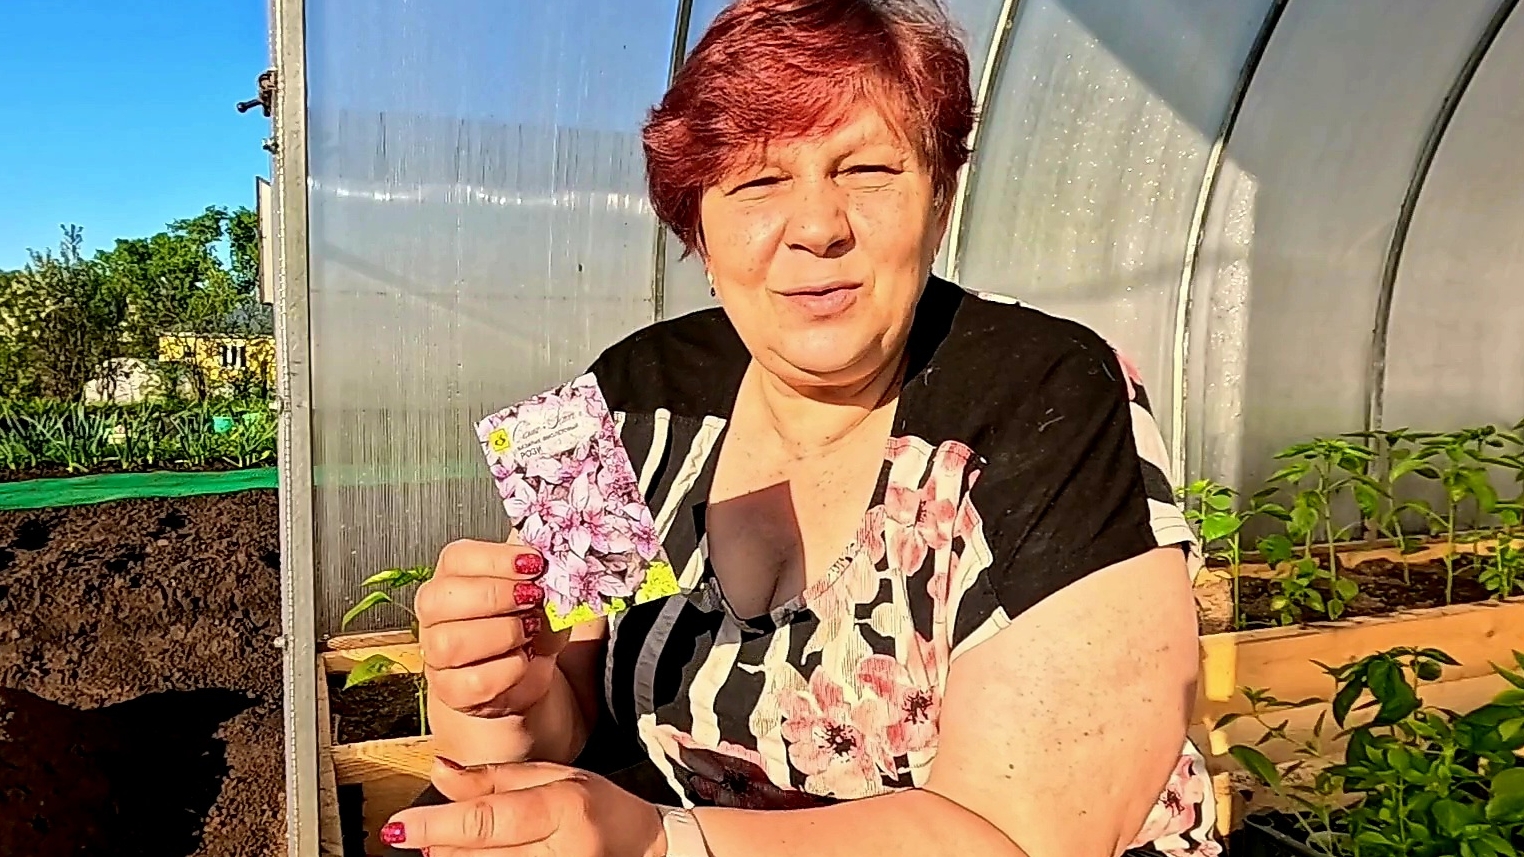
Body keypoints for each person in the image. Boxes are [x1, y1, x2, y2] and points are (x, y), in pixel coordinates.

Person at [381, 1, 1218, 855]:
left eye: (868, 170)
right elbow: (562, 712)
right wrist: (499, 691)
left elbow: (1028, 832)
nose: (818, 227)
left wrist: (663, 843)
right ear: (697, 226)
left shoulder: (1050, 392)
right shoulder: (628, 396)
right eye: (758, 181)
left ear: (938, 202)